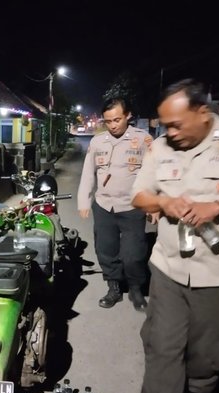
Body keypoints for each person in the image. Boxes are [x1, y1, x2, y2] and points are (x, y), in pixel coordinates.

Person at [131, 78, 219, 393]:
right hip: (168, 266)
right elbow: (139, 195)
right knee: (162, 342)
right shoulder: (160, 148)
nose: (170, 132)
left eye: (176, 124)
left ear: (202, 111)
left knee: (208, 352)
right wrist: (163, 201)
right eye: (164, 125)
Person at [77, 98, 152, 312]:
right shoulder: (97, 142)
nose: (113, 125)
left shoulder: (144, 140)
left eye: (117, 119)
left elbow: (152, 174)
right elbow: (88, 174)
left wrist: (153, 205)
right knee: (106, 251)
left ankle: (136, 288)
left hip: (132, 206)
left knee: (133, 254)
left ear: (128, 115)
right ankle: (114, 288)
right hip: (104, 205)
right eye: (108, 121)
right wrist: (84, 200)